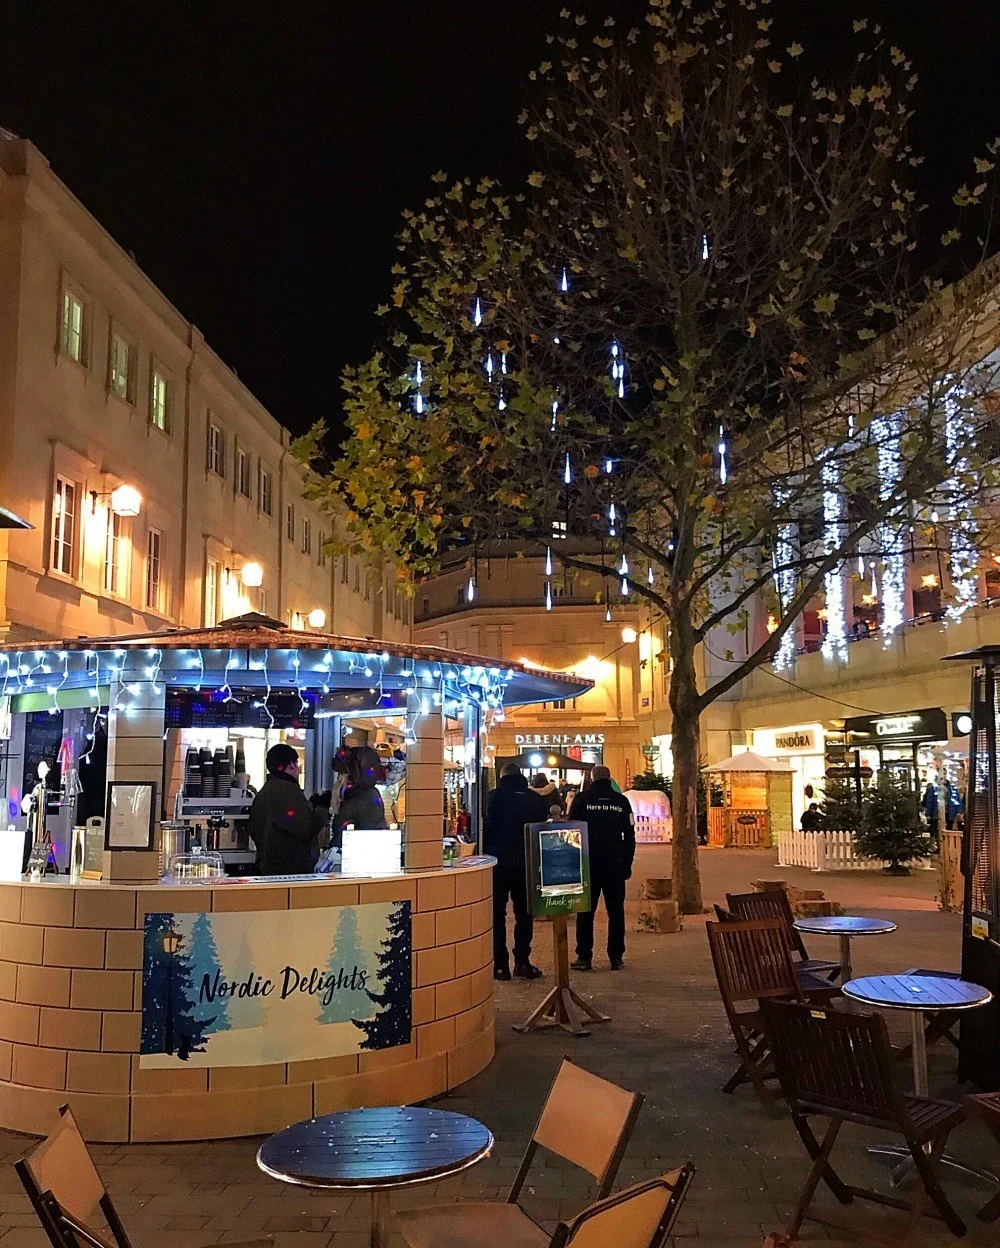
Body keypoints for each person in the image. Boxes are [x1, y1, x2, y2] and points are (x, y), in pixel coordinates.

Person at [484, 763, 548, 981]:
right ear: (520, 776)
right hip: (526, 865)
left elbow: (486, 828)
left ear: (502, 776)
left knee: (497, 915)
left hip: (497, 864)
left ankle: (500, 966)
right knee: (524, 914)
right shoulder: (536, 800)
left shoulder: (492, 798)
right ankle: (522, 961)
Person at [568, 765, 635, 971]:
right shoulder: (621, 801)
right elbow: (630, 836)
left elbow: (571, 832)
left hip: (588, 863)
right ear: (610, 778)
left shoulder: (581, 800)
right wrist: (627, 863)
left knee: (585, 911)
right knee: (616, 911)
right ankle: (616, 956)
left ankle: (584, 956)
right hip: (614, 863)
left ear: (591, 778)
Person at [248, 743, 327, 875]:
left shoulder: (265, 791)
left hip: (269, 868)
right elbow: (306, 826)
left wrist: (311, 806)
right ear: (290, 765)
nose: (298, 769)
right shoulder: (286, 791)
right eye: (296, 764)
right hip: (289, 872)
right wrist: (322, 808)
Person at [331, 745, 388, 847]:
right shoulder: (367, 795)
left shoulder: (359, 799)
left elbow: (341, 840)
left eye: (341, 773)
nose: (338, 779)